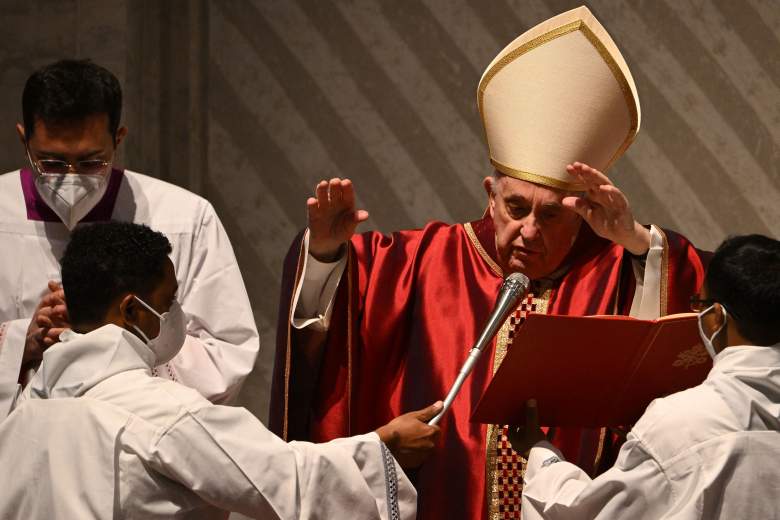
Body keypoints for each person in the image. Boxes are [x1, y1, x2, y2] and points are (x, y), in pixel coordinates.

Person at [269, 7, 706, 520]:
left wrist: (633, 239)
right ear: (490, 194)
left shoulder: (615, 271)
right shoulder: (423, 261)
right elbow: (336, 316)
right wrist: (323, 251)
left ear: (582, 213)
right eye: (516, 208)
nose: (529, 230)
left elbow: (698, 312)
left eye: (551, 215)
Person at [0, 221, 441, 519]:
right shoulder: (157, 411)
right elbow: (285, 479)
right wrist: (385, 445)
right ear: (133, 310)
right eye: (169, 300)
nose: (179, 315)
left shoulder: (23, 411)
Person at [0, 59, 258, 419]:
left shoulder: (184, 217)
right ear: (23, 139)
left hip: (136, 442)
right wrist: (22, 341)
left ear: (118, 140)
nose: (70, 179)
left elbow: (228, 356)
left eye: (91, 162)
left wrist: (105, 333)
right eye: (52, 163)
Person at [511, 234, 780, 519]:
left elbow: (585, 514)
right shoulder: (682, 425)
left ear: (715, 318)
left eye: (698, 304)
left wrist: (539, 453)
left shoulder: (681, 422)